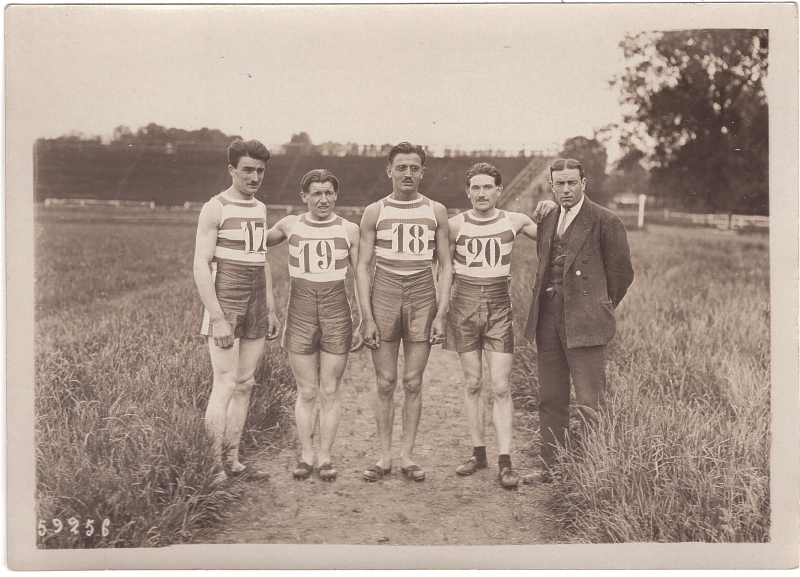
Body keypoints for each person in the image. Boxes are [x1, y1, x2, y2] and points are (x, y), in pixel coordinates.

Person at [522, 158, 634, 483]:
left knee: (590, 402)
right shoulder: (547, 219)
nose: (566, 189)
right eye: (560, 183)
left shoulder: (605, 220)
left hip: (587, 323)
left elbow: (622, 274)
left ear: (584, 183)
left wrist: (597, 307)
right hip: (547, 318)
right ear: (552, 186)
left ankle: (590, 473)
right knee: (550, 397)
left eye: (572, 182)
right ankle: (552, 468)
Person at [444, 163, 556, 488]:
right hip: (462, 307)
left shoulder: (515, 221)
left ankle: (505, 462)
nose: (481, 193)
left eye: (487, 187)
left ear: (498, 190)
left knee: (501, 386)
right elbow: (435, 261)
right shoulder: (454, 225)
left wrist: (551, 207)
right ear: (468, 192)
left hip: (498, 308)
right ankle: (479, 453)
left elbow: (554, 235)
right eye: (475, 188)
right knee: (472, 383)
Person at [356, 142, 452, 482]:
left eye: (414, 167)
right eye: (401, 167)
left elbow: (445, 265)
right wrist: (366, 316)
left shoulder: (436, 211)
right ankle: (384, 457)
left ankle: (408, 456)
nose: (407, 173)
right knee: (385, 381)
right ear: (389, 170)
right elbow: (363, 267)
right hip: (384, 292)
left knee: (412, 380)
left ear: (422, 171)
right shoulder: (374, 212)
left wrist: (441, 313)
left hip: (422, 294)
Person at [266, 169, 363, 482]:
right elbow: (253, 245)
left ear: (335, 195)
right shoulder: (290, 224)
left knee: (330, 389)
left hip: (336, 309)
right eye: (316, 193)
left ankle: (325, 456)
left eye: (329, 193)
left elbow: (361, 274)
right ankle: (306, 454)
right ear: (304, 196)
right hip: (301, 309)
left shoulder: (349, 229)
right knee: (307, 390)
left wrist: (366, 317)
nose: (323, 199)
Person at [194, 138, 280, 484]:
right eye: (248, 170)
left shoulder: (259, 208)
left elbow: (262, 260)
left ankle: (233, 459)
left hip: (256, 296)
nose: (255, 176)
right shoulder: (215, 207)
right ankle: (212, 465)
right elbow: (201, 264)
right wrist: (216, 316)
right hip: (226, 297)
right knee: (225, 383)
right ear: (232, 170)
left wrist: (271, 309)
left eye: (260, 170)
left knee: (245, 383)